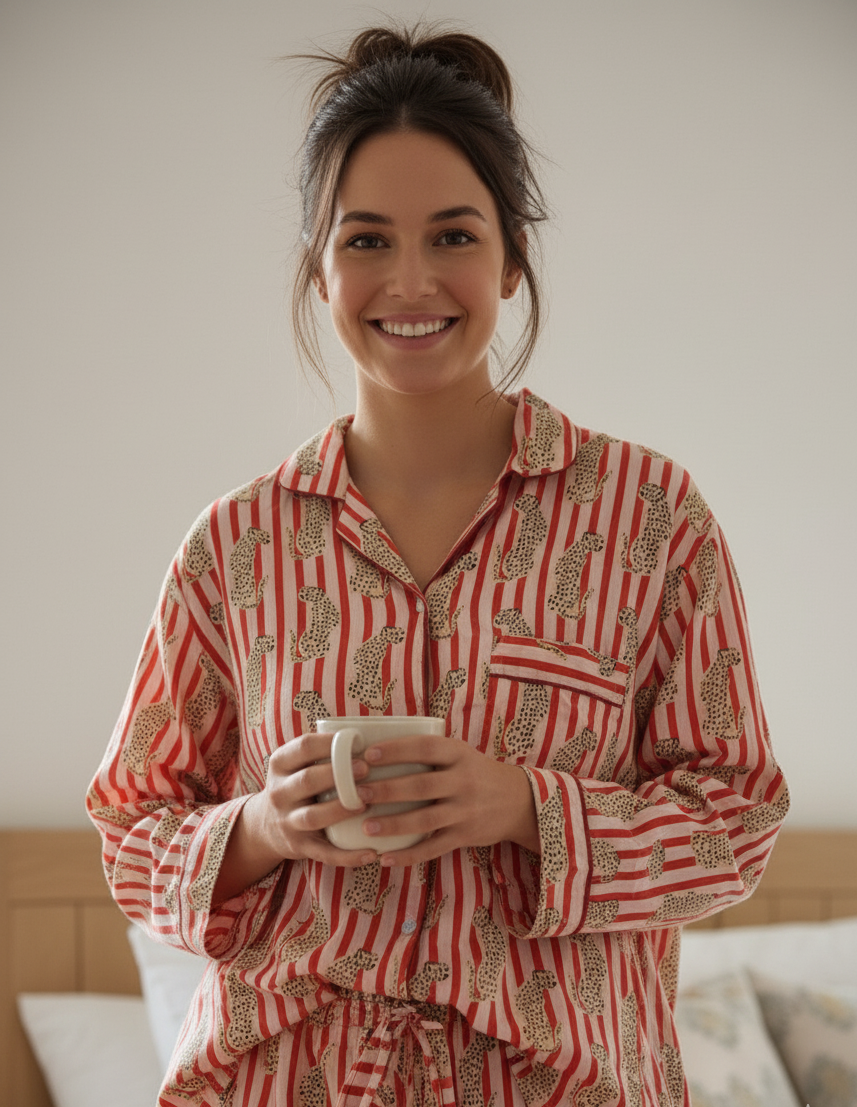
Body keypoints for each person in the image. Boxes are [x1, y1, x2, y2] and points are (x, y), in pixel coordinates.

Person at [87, 22, 789, 1107]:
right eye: (364, 240)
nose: (408, 280)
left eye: (451, 235)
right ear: (318, 271)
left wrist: (527, 808)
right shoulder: (233, 547)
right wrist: (264, 828)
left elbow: (734, 824)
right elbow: (133, 834)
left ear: (510, 256)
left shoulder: (650, 520)